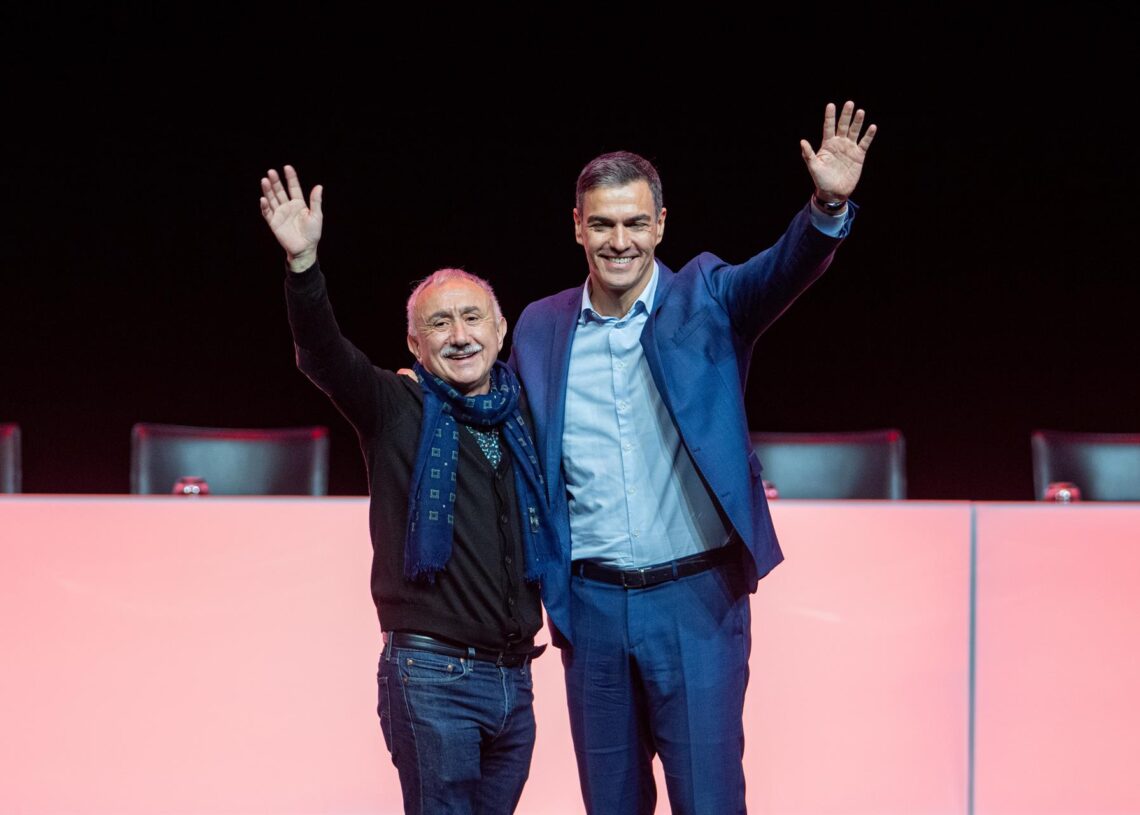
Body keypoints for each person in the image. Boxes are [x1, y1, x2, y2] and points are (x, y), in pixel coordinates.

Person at [508, 101, 877, 813]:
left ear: (661, 225)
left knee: (709, 801)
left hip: (696, 601)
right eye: (603, 224)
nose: (620, 241)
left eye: (635, 223)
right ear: (577, 226)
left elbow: (780, 271)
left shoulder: (706, 296)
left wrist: (827, 207)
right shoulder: (540, 326)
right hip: (592, 608)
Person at [259, 165, 557, 814]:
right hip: (432, 678)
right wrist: (304, 265)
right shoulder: (396, 406)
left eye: (472, 318)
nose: (460, 335)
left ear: (501, 329)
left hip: (515, 681)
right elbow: (323, 354)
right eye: (440, 323)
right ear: (414, 344)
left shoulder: (528, 415)